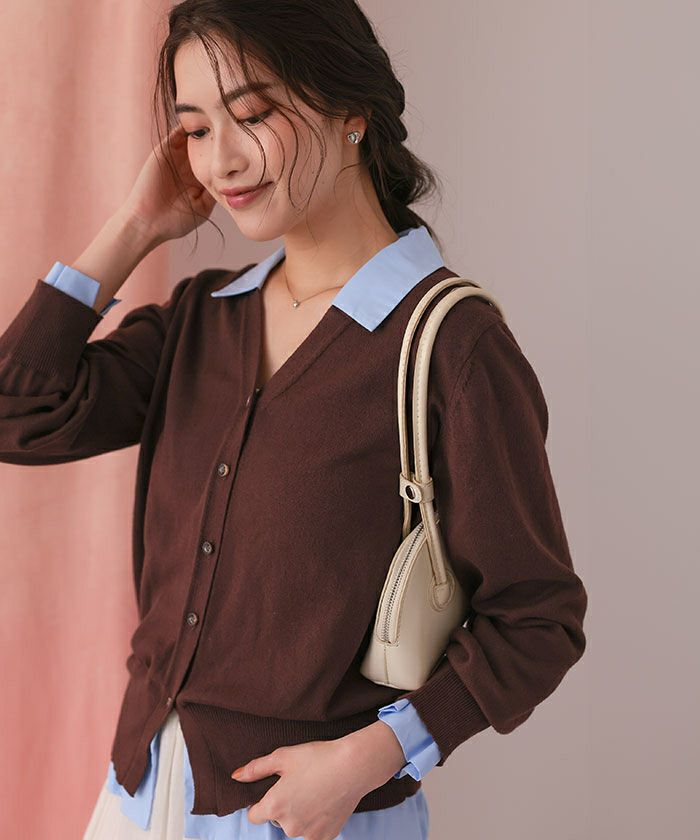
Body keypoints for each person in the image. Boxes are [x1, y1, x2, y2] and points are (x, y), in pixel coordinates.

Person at [0, 2, 588, 838]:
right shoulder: (201, 320)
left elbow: (538, 619)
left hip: (309, 817)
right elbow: (17, 411)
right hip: (138, 800)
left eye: (252, 114)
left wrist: (374, 756)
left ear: (353, 109)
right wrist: (133, 228)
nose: (221, 160)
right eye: (195, 129)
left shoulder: (451, 346)